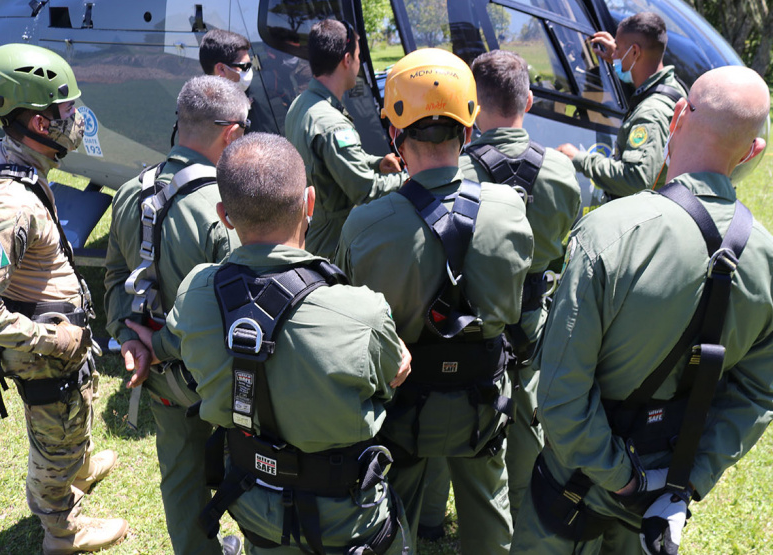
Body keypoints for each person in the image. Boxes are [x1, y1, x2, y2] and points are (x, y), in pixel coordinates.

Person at [511, 66, 773, 555]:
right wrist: (681, 482)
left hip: (576, 486)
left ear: (678, 115)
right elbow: (756, 396)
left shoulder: (608, 232)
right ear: (754, 151)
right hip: (664, 496)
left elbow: (560, 393)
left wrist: (624, 477)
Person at [130, 132, 413, 554]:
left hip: (256, 508)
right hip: (349, 521)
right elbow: (396, 370)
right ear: (310, 204)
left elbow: (168, 344)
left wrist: (140, 343)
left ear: (224, 215)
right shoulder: (362, 312)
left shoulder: (195, 294)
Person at [335, 48, 534, 555]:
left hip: (402, 404)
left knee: (391, 513)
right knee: (489, 512)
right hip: (483, 401)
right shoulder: (511, 210)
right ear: (468, 131)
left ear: (393, 134)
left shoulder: (366, 224)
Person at [0, 43, 127, 554]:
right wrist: (51, 336)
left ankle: (80, 465)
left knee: (72, 418)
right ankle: (62, 531)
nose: (76, 118)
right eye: (66, 109)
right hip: (44, 351)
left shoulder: (13, 160)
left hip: (58, 340)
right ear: (40, 124)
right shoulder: (9, 206)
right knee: (51, 443)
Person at [103, 75, 247, 555]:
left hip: (160, 374)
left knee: (180, 474)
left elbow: (116, 276)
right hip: (221, 378)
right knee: (251, 465)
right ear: (231, 135)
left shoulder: (129, 192)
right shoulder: (225, 211)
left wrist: (129, 339)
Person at [459, 49, 582, 523]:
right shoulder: (561, 171)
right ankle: (525, 505)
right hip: (534, 319)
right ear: (528, 101)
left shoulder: (461, 171)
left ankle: (433, 514)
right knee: (527, 411)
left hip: (474, 320)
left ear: (472, 105)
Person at [284, 19, 405, 258]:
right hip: (334, 244)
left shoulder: (301, 104)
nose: (359, 62)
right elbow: (366, 190)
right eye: (358, 56)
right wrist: (410, 179)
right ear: (346, 60)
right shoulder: (332, 125)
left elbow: (330, 162)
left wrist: (376, 163)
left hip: (312, 227)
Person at [557, 12, 686, 199]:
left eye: (618, 48)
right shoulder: (674, 89)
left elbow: (635, 180)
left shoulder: (651, 114)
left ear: (634, 52)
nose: (614, 53)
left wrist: (580, 159)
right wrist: (617, 59)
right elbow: (644, 83)